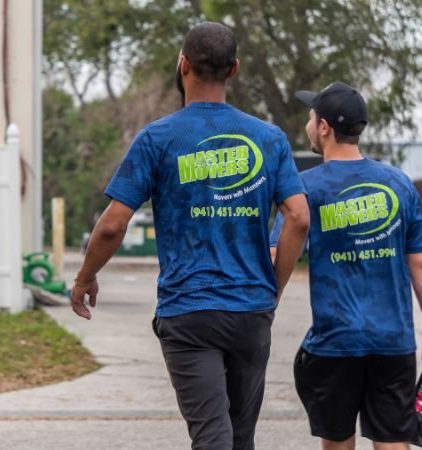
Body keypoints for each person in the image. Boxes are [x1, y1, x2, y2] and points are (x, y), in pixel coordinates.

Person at [70, 22, 310, 450]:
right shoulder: (269, 138)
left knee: (211, 436)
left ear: (182, 65)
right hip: (251, 311)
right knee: (238, 439)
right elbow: (298, 218)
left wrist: (84, 277)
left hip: (189, 311)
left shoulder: (158, 139)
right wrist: (273, 286)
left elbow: (111, 225)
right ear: (233, 70)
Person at [270, 81, 422, 450]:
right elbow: (421, 265)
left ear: (324, 127)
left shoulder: (302, 189)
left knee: (337, 443)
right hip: (393, 342)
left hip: (335, 343)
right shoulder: (398, 183)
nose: (307, 124)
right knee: (393, 442)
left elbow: (275, 256)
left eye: (310, 116)